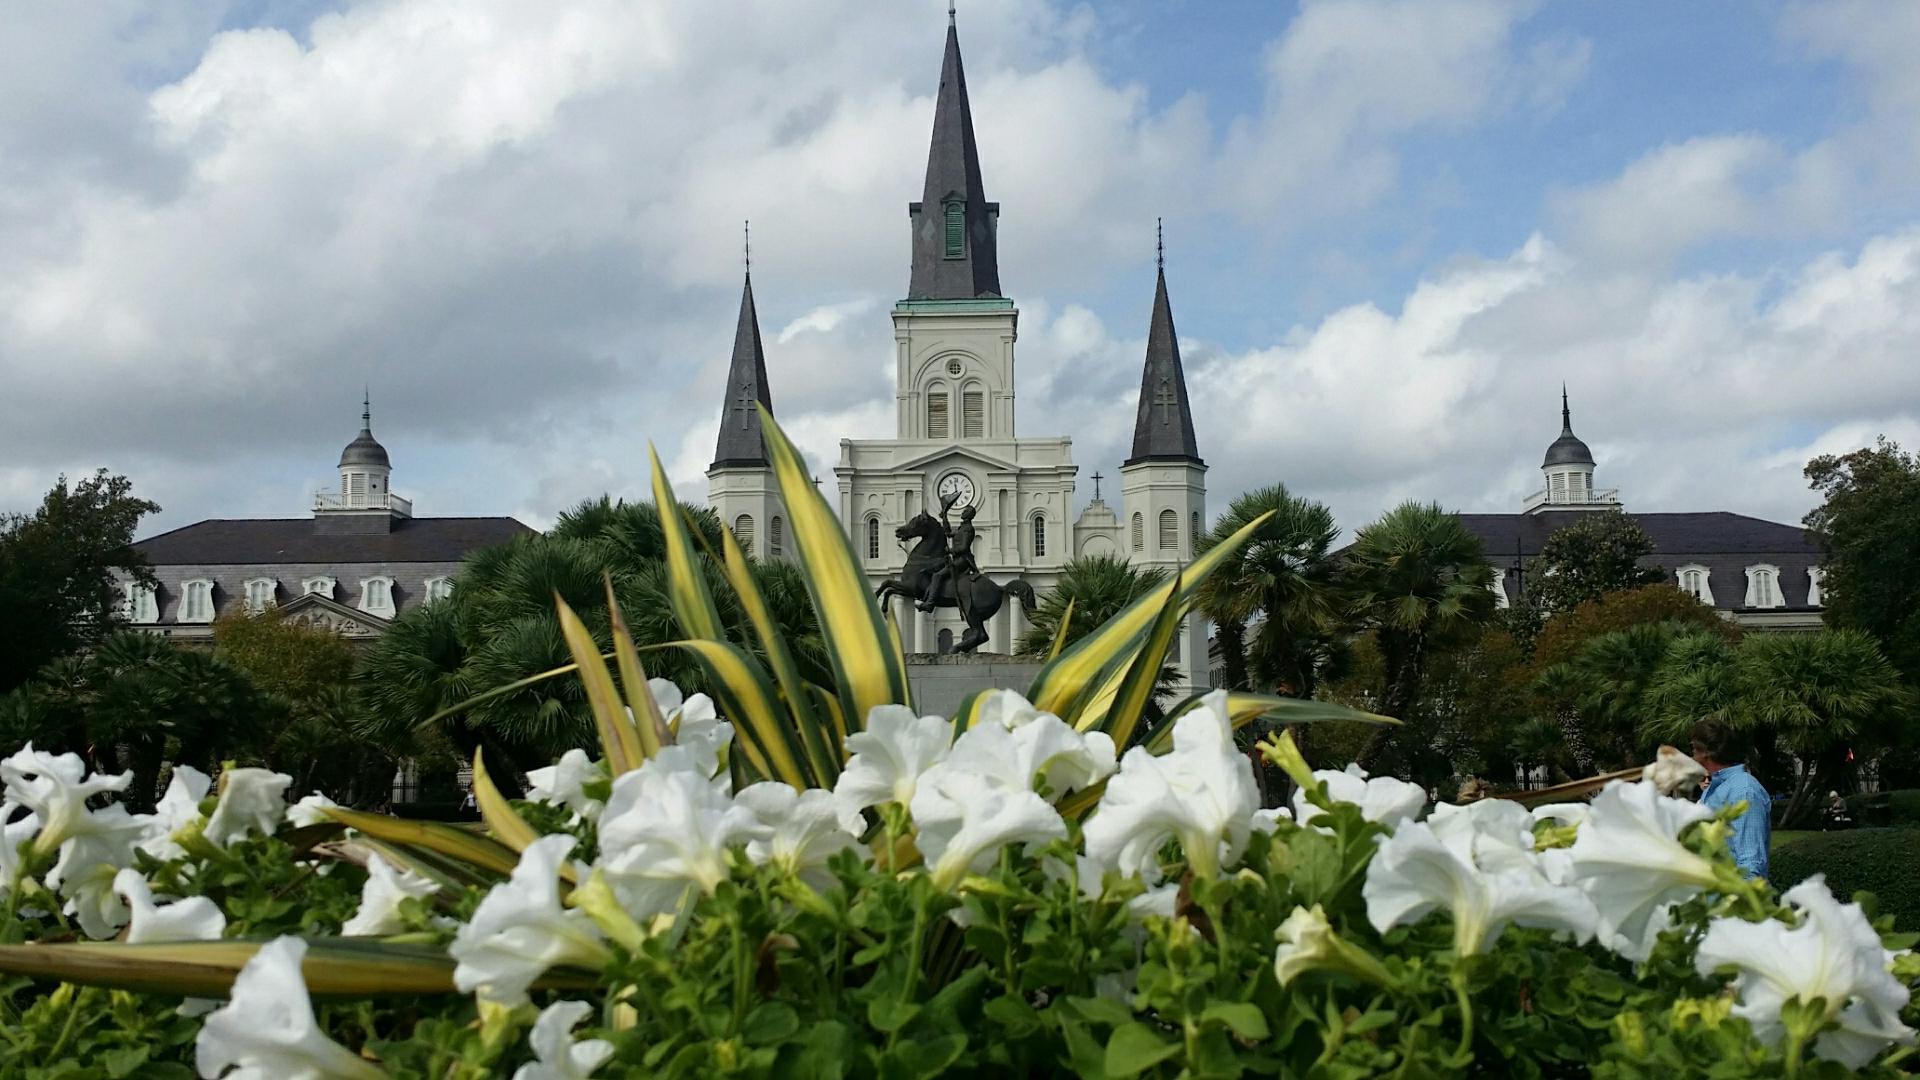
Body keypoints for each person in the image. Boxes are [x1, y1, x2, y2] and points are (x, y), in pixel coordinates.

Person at [1689, 717, 1771, 880]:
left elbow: (1750, 864)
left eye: (1693, 749)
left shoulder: (1743, 791)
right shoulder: (1713, 789)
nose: (1691, 755)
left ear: (1704, 752)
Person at [918, 495, 979, 612]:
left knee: (938, 575)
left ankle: (929, 604)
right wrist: (945, 517)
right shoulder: (962, 528)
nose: (963, 512)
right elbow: (948, 533)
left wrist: (950, 550)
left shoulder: (968, 529)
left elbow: (964, 547)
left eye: (965, 511)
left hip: (962, 561)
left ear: (969, 515)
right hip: (955, 559)